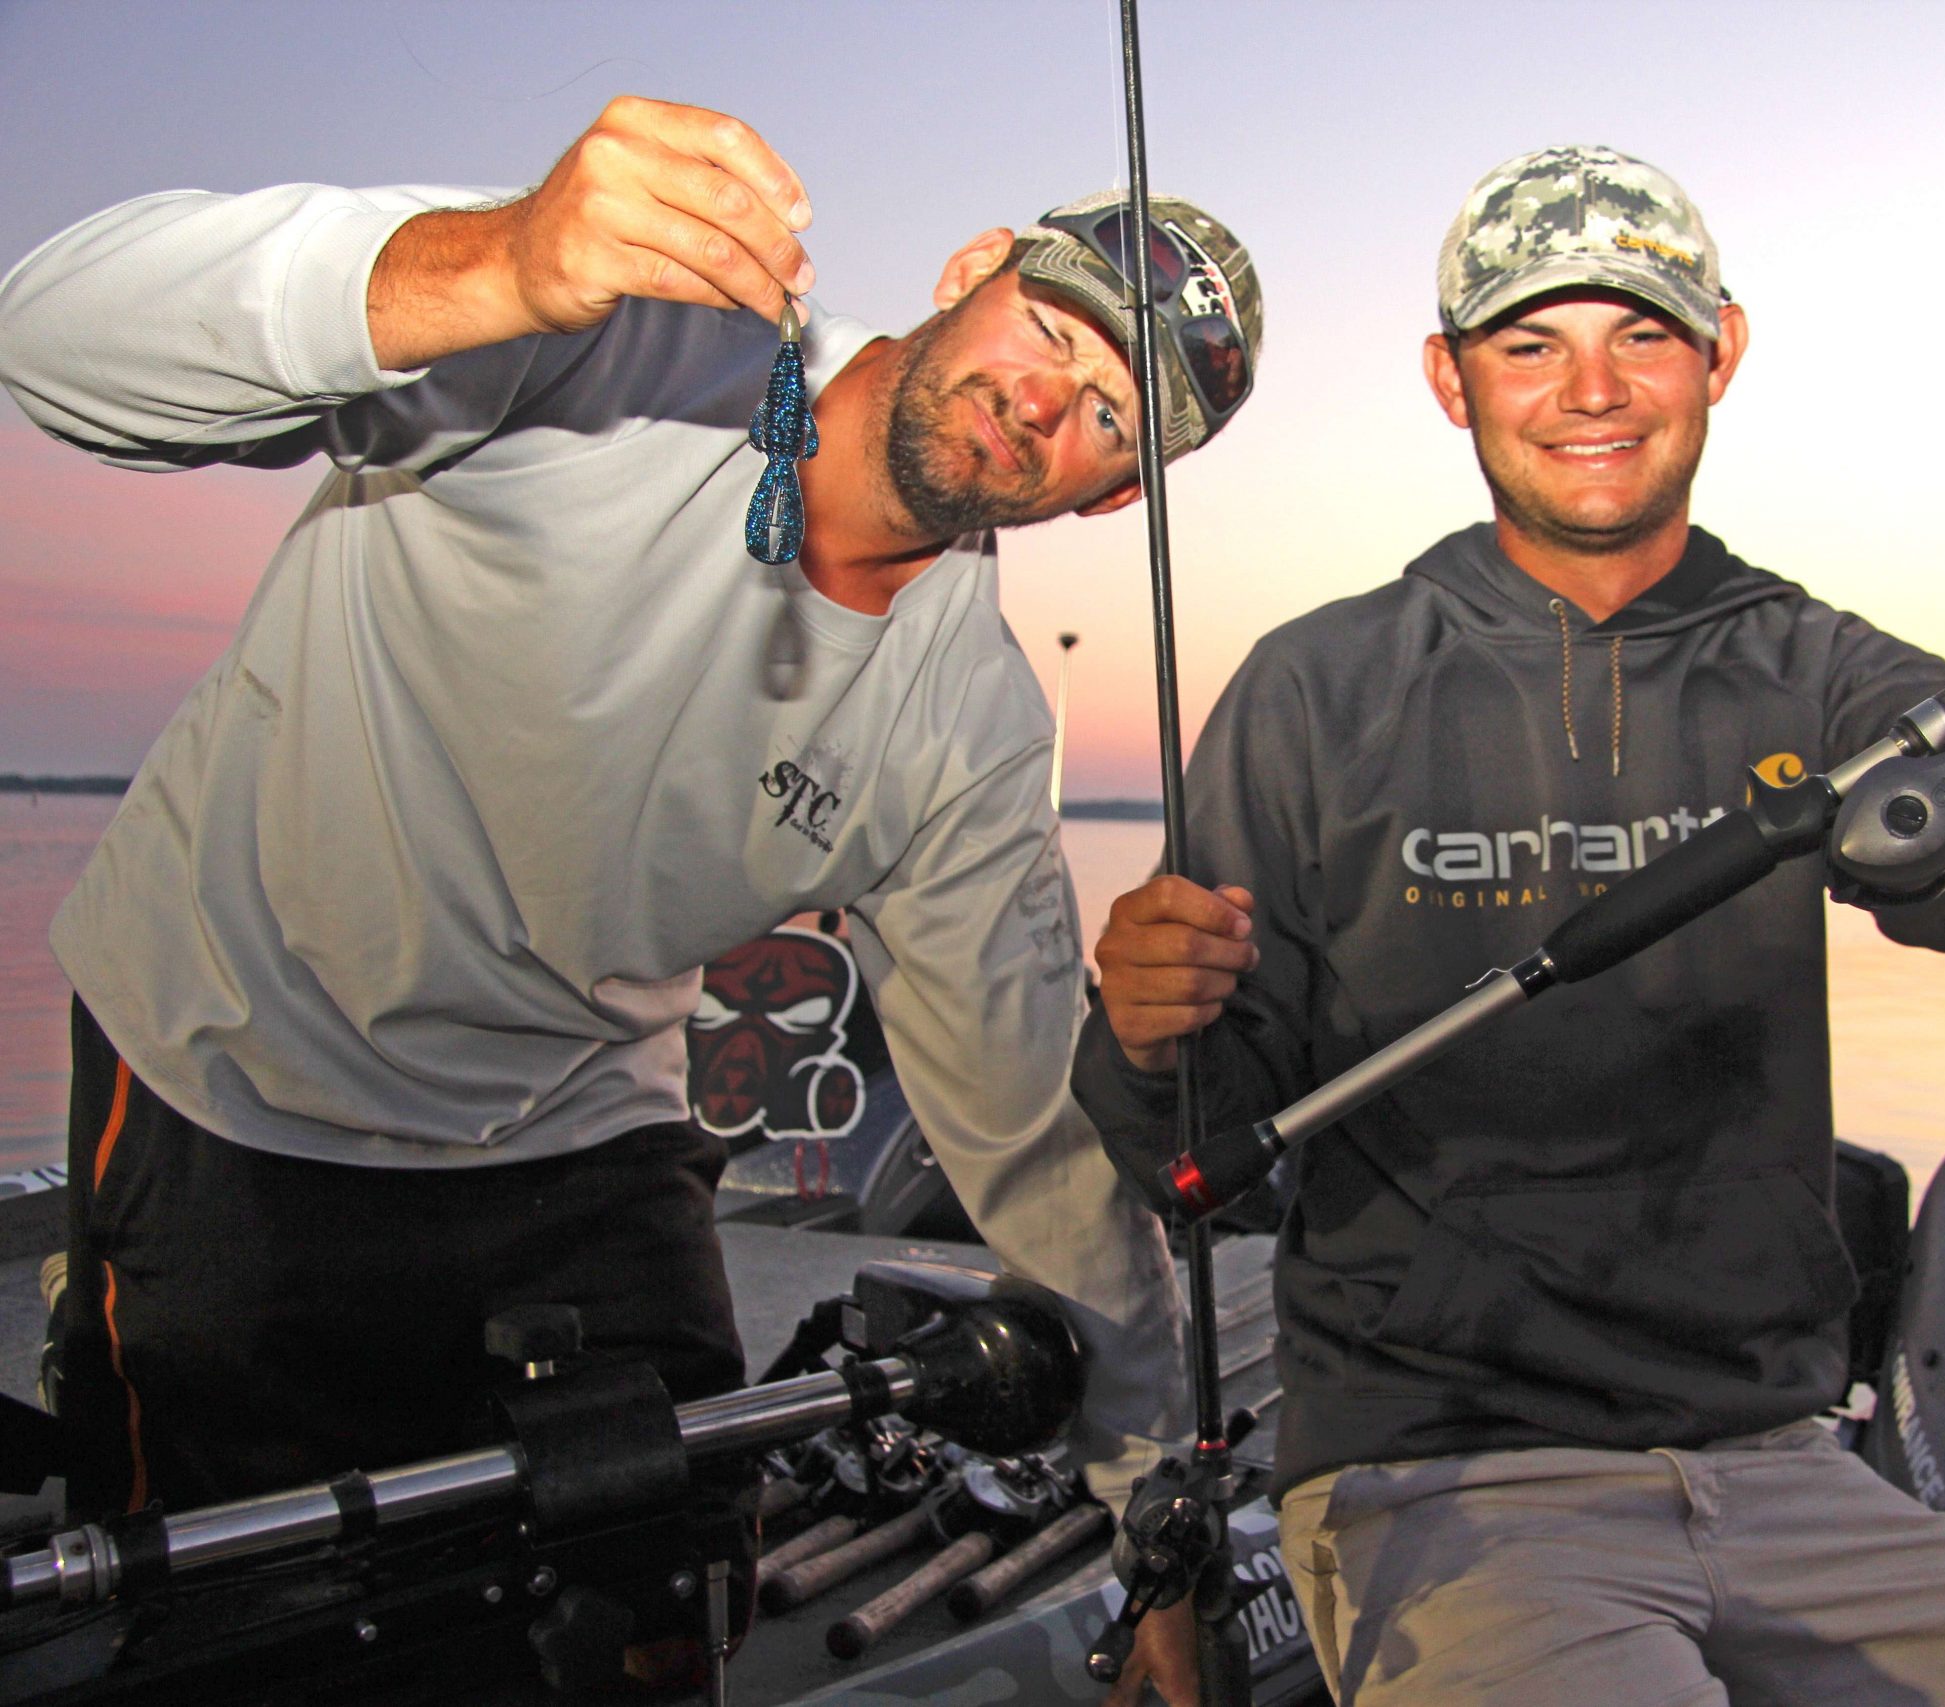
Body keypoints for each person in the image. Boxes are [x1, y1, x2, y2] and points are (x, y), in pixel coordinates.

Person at [0, 91, 1255, 1628]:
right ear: (972, 266)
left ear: (1112, 495)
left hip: (583, 1122)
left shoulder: (969, 730)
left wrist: (1152, 1506)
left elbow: (1029, 1137)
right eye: (1051, 328)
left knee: (663, 1587)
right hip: (236, 1066)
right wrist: (497, 264)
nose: (1046, 402)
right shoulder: (622, 340)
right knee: (235, 1612)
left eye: (1113, 418)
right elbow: (49, 340)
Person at [1073, 144, 1945, 1704]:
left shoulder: (1818, 666)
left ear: (1723, 353)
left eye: (1642, 334)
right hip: (1442, 1473)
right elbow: (1198, 1153)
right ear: (1449, 380)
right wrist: (1141, 1028)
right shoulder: (1314, 690)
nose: (1593, 390)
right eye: (1531, 343)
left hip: (1788, 1460)